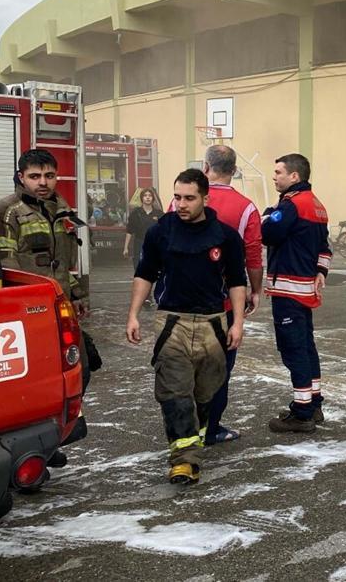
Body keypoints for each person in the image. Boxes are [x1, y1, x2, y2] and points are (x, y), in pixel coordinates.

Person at [126, 169, 247, 484]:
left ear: (205, 198)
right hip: (173, 324)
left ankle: (195, 440)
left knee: (204, 395)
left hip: (213, 326)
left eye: (189, 198)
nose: (181, 204)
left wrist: (238, 322)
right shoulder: (159, 233)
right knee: (175, 393)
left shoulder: (226, 237)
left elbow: (236, 282)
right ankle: (183, 461)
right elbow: (145, 274)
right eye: (177, 197)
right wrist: (133, 314)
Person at [0, 149, 99, 381]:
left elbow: (60, 264)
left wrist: (75, 294)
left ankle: (72, 417)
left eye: (49, 175)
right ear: (21, 177)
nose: (43, 182)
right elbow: (2, 271)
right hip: (27, 313)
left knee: (79, 371)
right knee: (40, 377)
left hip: (60, 306)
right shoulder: (3, 212)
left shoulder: (62, 212)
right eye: (35, 176)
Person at [196, 144, 263, 446]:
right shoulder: (247, 208)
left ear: (205, 168)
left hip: (183, 302)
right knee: (220, 366)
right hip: (223, 303)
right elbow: (253, 256)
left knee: (187, 365)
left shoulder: (181, 201)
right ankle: (211, 428)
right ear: (234, 171)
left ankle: (186, 427)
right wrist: (256, 290)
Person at [262, 153, 331, 433]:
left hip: (288, 289)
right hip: (303, 289)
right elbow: (325, 248)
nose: (274, 176)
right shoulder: (317, 205)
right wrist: (321, 272)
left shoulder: (292, 205)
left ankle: (302, 413)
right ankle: (314, 404)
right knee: (306, 347)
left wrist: (266, 215)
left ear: (294, 176)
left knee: (293, 350)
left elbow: (268, 233)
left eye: (279, 172)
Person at [124, 187, 164, 272]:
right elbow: (129, 231)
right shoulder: (135, 213)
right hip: (140, 243)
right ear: (142, 198)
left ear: (153, 198)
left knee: (154, 269)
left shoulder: (159, 213)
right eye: (145, 195)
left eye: (150, 195)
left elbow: (165, 230)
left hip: (154, 244)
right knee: (139, 268)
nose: (148, 197)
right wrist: (126, 247)